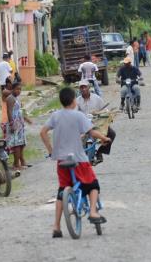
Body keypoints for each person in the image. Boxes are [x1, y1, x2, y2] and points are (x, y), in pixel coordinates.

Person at [41, 88, 112, 238]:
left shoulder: (55, 116)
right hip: (78, 159)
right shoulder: (79, 116)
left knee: (62, 191)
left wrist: (51, 151)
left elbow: (43, 132)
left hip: (61, 161)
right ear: (74, 101)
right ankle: (93, 212)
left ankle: (56, 227)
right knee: (93, 184)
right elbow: (92, 133)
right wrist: (104, 139)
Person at [76, 80, 116, 160]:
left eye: (85, 87)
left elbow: (106, 111)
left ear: (89, 87)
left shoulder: (97, 98)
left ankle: (100, 152)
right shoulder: (77, 101)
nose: (83, 89)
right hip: (82, 125)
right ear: (79, 89)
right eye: (81, 87)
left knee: (112, 133)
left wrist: (98, 113)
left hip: (96, 124)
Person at [5, 81, 32, 172]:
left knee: (21, 144)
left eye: (20, 89)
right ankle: (16, 164)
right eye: (17, 89)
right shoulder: (10, 98)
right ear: (12, 89)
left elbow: (18, 111)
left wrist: (26, 119)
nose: (19, 91)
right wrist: (12, 124)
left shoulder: (17, 98)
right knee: (16, 145)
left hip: (20, 124)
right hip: (15, 124)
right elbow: (9, 112)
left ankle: (22, 161)